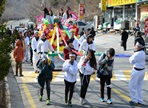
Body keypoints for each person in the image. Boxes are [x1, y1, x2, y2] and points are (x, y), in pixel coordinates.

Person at [129, 41, 145, 106]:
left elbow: (131, 61)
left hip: (136, 71)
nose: (135, 46)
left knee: (132, 86)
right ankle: (140, 100)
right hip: (142, 70)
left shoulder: (137, 54)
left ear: (138, 47)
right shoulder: (143, 52)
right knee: (139, 86)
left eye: (136, 45)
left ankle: (134, 100)